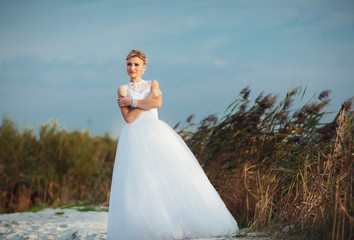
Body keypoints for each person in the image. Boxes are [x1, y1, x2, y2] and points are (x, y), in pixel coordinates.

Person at [106, 49, 238, 240]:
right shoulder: (122, 90)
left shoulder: (153, 83)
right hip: (134, 138)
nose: (132, 68)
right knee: (141, 182)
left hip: (157, 135)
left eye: (136, 64)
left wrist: (134, 102)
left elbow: (157, 103)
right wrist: (146, 102)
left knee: (170, 176)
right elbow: (129, 118)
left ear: (143, 67)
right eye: (129, 64)